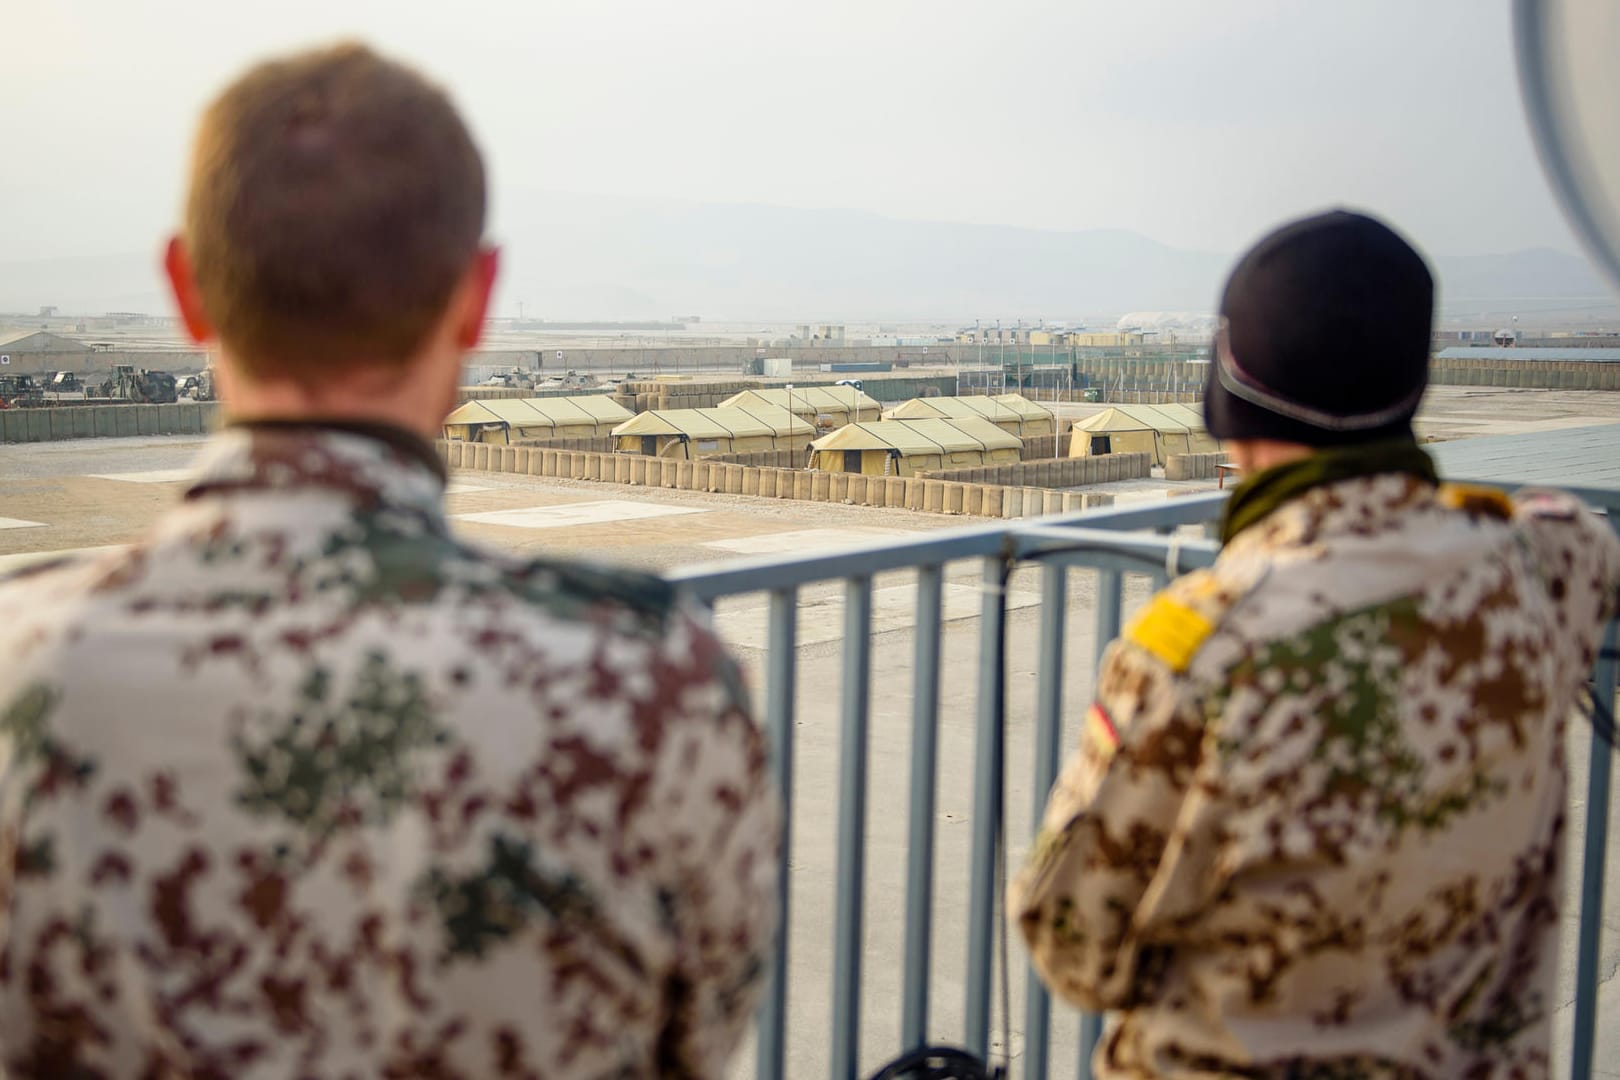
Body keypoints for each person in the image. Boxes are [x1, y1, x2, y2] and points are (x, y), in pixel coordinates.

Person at [0, 43, 778, 1078]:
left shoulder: (21, 673)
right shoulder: (657, 689)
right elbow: (701, 1041)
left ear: (187, 288)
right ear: (476, 298)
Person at [1011, 210, 1620, 1079]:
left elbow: (1073, 946)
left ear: (1228, 392)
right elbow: (1570, 530)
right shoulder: (1538, 569)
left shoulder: (1203, 649)